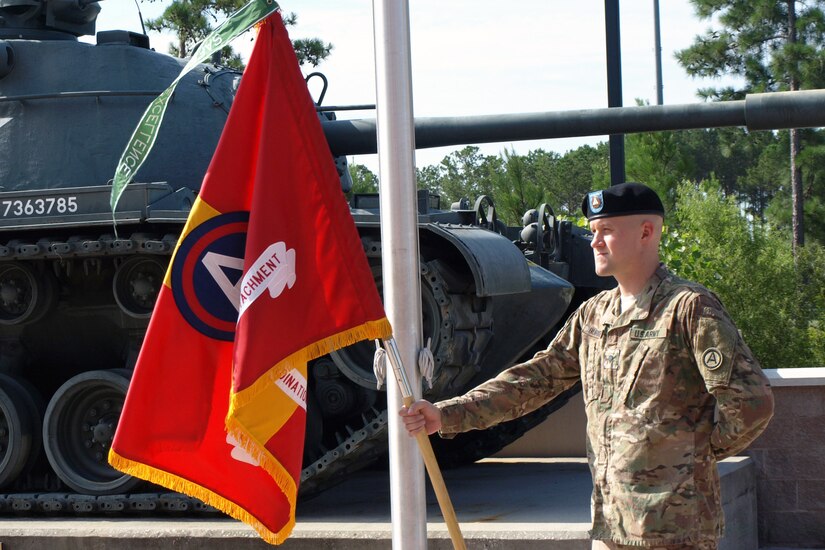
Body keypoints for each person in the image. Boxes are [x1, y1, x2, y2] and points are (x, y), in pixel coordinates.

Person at [400, 182, 774, 550]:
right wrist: (447, 414)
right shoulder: (595, 314)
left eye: (606, 231)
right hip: (610, 523)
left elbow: (751, 402)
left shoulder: (688, 308)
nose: (594, 241)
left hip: (674, 528)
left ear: (646, 232)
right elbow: (534, 380)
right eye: (594, 231)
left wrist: (693, 454)